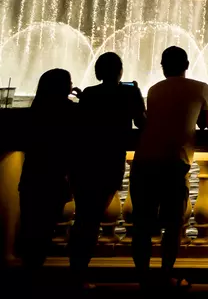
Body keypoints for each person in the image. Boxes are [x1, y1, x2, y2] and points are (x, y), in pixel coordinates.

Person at [130, 46, 208, 292]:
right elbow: (203, 123)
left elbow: (148, 121)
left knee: (142, 225)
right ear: (187, 64)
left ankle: (143, 278)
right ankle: (166, 275)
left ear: (163, 66)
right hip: (175, 163)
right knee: (174, 224)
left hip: (143, 160)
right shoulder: (201, 88)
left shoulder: (154, 89)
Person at [70, 53, 146, 289]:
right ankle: (78, 277)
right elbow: (142, 123)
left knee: (84, 218)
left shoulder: (90, 93)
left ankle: (76, 272)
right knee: (91, 219)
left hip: (84, 161)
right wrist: (138, 94)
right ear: (120, 71)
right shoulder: (129, 92)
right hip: (110, 161)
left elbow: (82, 123)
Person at [16, 68, 77, 289]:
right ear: (64, 87)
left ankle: (28, 278)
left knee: (31, 228)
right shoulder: (70, 111)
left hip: (31, 178)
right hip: (54, 179)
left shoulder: (34, 111)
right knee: (44, 231)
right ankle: (34, 281)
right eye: (69, 82)